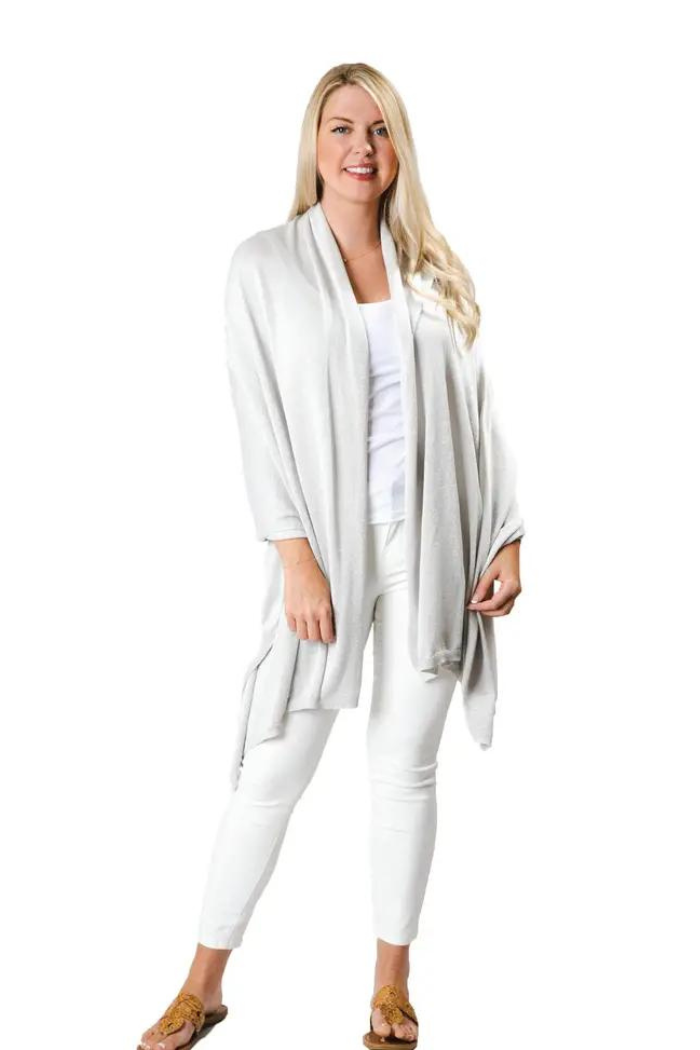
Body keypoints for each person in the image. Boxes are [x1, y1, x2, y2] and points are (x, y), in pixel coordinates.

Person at [138, 62, 525, 1050]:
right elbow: (258, 420)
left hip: (433, 547)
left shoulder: (433, 268)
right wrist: (295, 557)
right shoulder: (264, 266)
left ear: (400, 150)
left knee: (405, 769)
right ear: (314, 144)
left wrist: (508, 535)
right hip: (327, 551)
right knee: (273, 766)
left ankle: (391, 988)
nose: (362, 147)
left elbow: (481, 414)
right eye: (343, 127)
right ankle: (202, 983)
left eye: (380, 130)